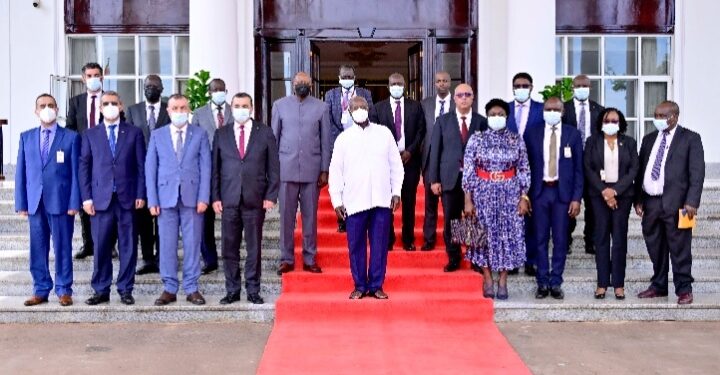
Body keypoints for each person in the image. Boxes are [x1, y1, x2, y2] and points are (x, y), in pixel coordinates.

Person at [329, 96, 404, 299]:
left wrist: (396, 191)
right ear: (349, 111)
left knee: (380, 245)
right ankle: (360, 285)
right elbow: (335, 171)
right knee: (356, 246)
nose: (360, 109)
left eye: (363, 106)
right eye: (355, 107)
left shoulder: (384, 133)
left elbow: (396, 166)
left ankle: (376, 285)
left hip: (381, 199)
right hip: (354, 201)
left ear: (368, 109)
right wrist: (337, 201)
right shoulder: (343, 139)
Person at [79, 91, 146, 306]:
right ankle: (101, 289)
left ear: (121, 106)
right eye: (105, 103)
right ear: (100, 108)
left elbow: (140, 166)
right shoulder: (90, 134)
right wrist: (86, 198)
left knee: (128, 246)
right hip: (100, 201)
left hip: (127, 199)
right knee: (100, 246)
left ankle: (125, 289)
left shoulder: (134, 133)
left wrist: (140, 193)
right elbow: (84, 167)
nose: (110, 106)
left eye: (113, 103)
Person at [212, 93, 280, 305]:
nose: (241, 109)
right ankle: (232, 290)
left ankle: (253, 290)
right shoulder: (221, 134)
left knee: (254, 249)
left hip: (255, 200)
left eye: (245, 105)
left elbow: (274, 168)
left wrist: (271, 195)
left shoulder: (265, 132)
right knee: (229, 248)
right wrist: (215, 196)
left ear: (251, 108)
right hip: (229, 199)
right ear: (231, 108)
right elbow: (215, 169)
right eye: (237, 105)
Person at [635, 101, 705, 305]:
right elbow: (642, 171)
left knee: (680, 247)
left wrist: (692, 201)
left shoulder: (690, 138)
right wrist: (638, 199)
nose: (657, 119)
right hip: (651, 204)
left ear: (674, 117)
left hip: (678, 204)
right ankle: (659, 285)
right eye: (655, 115)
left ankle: (684, 289)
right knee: (655, 246)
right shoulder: (649, 140)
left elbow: (697, 172)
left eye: (661, 116)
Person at [146, 94, 211, 306]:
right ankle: (169, 288)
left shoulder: (199, 134)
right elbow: (150, 169)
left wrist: (204, 197)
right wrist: (152, 200)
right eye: (175, 108)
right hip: (165, 198)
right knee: (166, 244)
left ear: (189, 109)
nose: (180, 111)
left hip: (192, 198)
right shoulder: (157, 135)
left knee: (193, 244)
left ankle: (192, 288)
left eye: (183, 108)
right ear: (168, 110)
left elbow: (206, 167)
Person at [15, 93, 80, 307]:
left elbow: (75, 173)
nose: (47, 108)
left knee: (62, 247)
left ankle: (64, 290)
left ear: (57, 109)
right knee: (38, 248)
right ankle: (40, 289)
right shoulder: (26, 137)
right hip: (35, 202)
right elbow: (21, 173)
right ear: (36, 111)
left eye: (51, 105)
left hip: (60, 202)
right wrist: (21, 202)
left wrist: (74, 202)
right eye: (42, 105)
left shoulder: (70, 137)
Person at [462, 99, 531, 300]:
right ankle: (487, 279)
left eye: (500, 114)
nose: (496, 117)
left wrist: (523, 196)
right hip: (482, 193)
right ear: (487, 116)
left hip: (509, 194)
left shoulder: (516, 140)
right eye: (492, 114)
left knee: (507, 236)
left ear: (507, 117)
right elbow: (468, 169)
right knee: (483, 236)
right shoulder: (477, 139)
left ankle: (502, 280)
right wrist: (468, 198)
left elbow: (524, 169)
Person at [272, 72, 332, 276]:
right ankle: (286, 259)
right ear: (292, 84)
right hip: (285, 170)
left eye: (306, 83)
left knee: (310, 219)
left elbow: (326, 141)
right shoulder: (280, 105)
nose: (302, 85)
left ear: (311, 85)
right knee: (286, 219)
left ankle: (309, 258)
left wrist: (325, 170)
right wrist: (273, 171)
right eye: (298, 83)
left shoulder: (321, 107)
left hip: (312, 171)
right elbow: (274, 139)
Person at [524, 97, 583, 300]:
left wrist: (576, 198)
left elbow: (578, 169)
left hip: (562, 194)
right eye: (548, 108)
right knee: (539, 239)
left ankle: (556, 281)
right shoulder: (532, 133)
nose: (551, 112)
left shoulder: (573, 134)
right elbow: (525, 165)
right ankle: (542, 282)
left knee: (560, 240)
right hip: (539, 193)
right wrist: (524, 195)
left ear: (562, 111)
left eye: (555, 109)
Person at [427, 83, 488, 272]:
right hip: (449, 179)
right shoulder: (443, 121)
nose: (463, 98)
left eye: (467, 95)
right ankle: (454, 257)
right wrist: (434, 179)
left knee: (473, 219)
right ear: (454, 99)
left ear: (472, 98)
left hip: (475, 182)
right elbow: (435, 151)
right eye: (460, 95)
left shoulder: (481, 122)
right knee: (451, 221)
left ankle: (475, 258)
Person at [583, 108, 638, 300]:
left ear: (620, 123)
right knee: (601, 239)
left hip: (622, 197)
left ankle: (619, 285)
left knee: (619, 240)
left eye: (614, 120)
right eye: (607, 120)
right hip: (599, 196)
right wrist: (605, 191)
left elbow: (633, 170)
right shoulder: (592, 141)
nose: (611, 123)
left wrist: (614, 191)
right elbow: (588, 168)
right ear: (601, 122)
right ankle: (602, 284)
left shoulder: (629, 142)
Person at [370, 72, 426, 251]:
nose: (396, 87)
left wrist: (410, 150)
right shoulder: (378, 108)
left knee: (409, 202)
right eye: (393, 83)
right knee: (387, 203)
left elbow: (421, 130)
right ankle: (388, 239)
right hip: (386, 164)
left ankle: (408, 239)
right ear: (388, 86)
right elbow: (374, 134)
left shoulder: (415, 106)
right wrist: (391, 154)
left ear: (404, 86)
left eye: (399, 84)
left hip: (410, 161)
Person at [126, 74, 170, 275]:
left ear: (161, 88)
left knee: (162, 216)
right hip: (140, 172)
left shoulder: (170, 108)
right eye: (147, 85)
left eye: (154, 85)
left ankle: (163, 258)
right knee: (143, 218)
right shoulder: (133, 110)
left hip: (165, 171)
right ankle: (148, 259)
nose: (150, 88)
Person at [324, 64, 374, 233]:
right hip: (339, 144)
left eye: (349, 77)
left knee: (358, 183)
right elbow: (328, 121)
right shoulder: (330, 95)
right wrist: (334, 143)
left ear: (355, 77)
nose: (347, 80)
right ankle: (343, 219)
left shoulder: (365, 94)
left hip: (361, 144)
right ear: (338, 78)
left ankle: (359, 216)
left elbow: (371, 116)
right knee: (341, 184)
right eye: (343, 77)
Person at [191, 78, 233, 275]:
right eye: (215, 89)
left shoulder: (235, 111)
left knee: (230, 218)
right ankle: (209, 259)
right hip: (205, 172)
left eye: (222, 89)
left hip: (230, 172)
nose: (219, 92)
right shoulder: (199, 114)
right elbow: (195, 141)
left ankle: (230, 256)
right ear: (209, 92)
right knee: (205, 219)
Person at [506, 72, 544, 276]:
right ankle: (511, 260)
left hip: (536, 170)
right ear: (513, 88)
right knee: (511, 218)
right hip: (509, 173)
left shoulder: (541, 109)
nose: (521, 88)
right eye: (517, 85)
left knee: (533, 217)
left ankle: (531, 260)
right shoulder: (505, 109)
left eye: (524, 85)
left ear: (531, 87)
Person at [563, 74, 606, 255]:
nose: (582, 88)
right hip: (569, 163)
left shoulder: (599, 110)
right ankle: (566, 240)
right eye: (578, 85)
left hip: (592, 164)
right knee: (568, 204)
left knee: (593, 204)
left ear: (590, 88)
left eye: (585, 85)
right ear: (573, 88)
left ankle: (592, 241)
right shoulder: (564, 109)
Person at [66, 62, 104, 260]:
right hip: (83, 157)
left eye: (97, 75)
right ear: (83, 78)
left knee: (106, 200)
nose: (93, 78)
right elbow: (70, 128)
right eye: (89, 75)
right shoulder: (75, 102)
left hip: (106, 158)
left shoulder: (109, 99)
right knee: (84, 201)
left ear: (102, 77)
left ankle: (107, 244)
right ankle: (88, 243)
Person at [420, 71, 455, 251]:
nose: (442, 84)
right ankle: (429, 239)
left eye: (445, 81)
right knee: (429, 205)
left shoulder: (458, 104)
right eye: (438, 81)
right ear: (434, 84)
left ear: (450, 83)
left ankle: (453, 242)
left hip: (450, 162)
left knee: (452, 207)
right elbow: (421, 132)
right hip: (429, 160)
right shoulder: (425, 104)